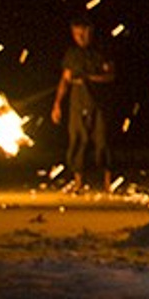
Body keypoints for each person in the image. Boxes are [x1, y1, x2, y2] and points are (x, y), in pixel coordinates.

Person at [51, 18, 114, 187]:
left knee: (102, 141)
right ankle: (78, 181)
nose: (80, 37)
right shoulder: (72, 55)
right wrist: (57, 104)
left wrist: (90, 78)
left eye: (83, 33)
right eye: (76, 34)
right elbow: (64, 80)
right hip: (78, 104)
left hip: (98, 104)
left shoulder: (101, 52)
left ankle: (108, 181)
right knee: (77, 140)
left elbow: (111, 75)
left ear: (90, 31)